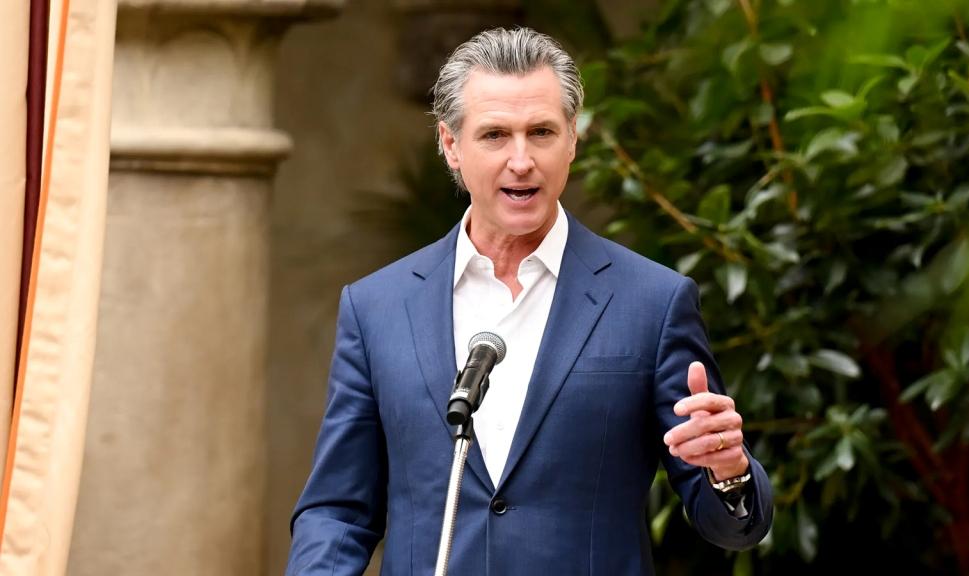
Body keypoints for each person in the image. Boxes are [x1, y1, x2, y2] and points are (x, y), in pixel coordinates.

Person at [287, 27, 772, 576]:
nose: (521, 160)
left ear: (573, 139)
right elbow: (338, 512)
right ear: (451, 145)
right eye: (495, 135)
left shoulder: (653, 302)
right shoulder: (377, 307)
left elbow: (731, 525)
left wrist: (728, 471)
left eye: (541, 132)